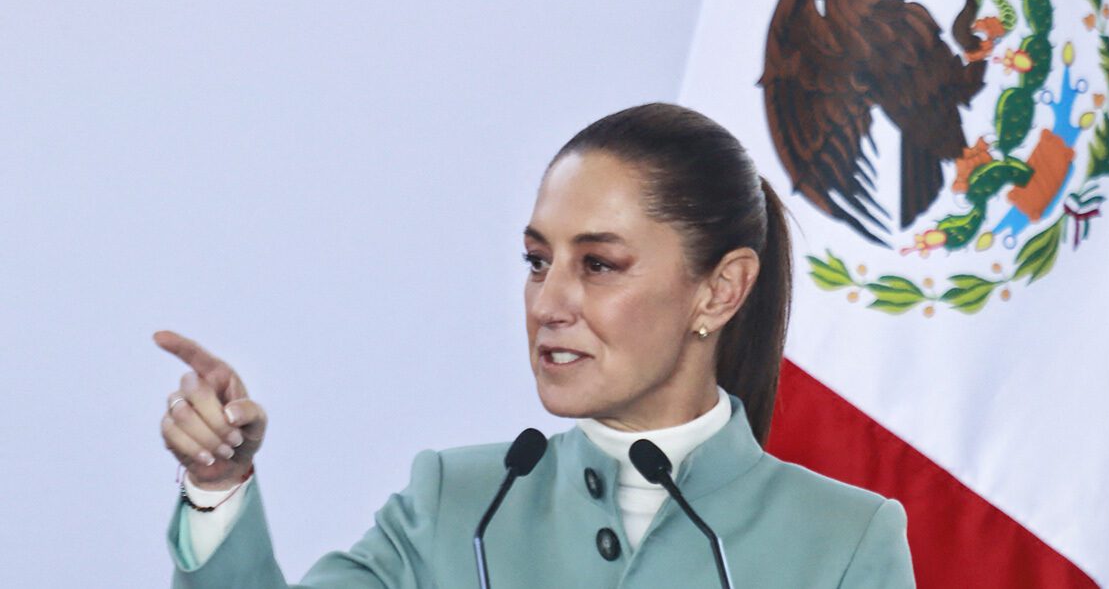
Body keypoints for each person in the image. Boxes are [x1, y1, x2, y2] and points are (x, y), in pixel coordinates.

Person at [158, 103, 916, 587]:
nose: (548, 303)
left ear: (719, 290)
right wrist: (218, 485)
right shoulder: (457, 502)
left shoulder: (846, 540)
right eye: (536, 261)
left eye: (599, 265)